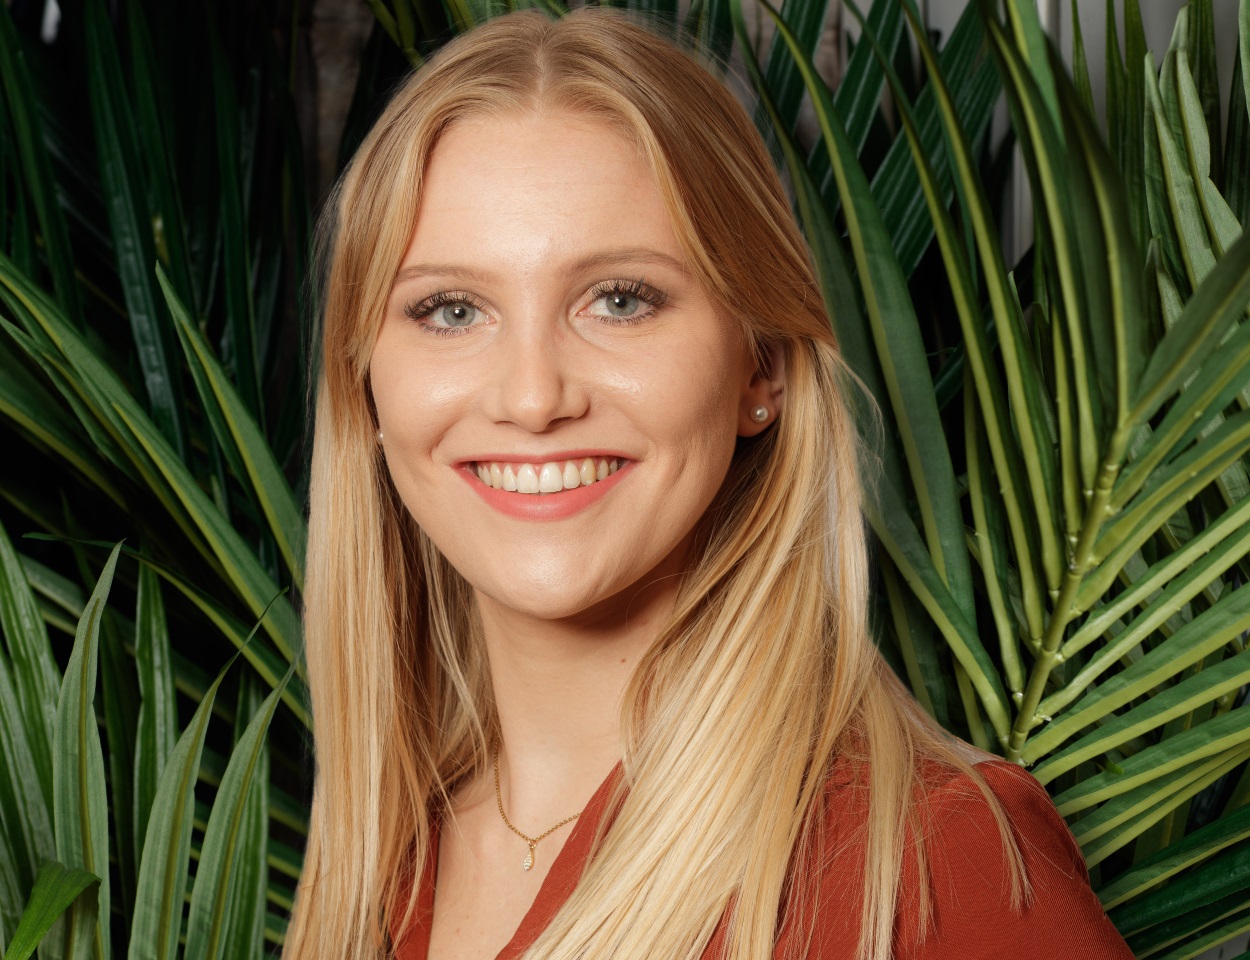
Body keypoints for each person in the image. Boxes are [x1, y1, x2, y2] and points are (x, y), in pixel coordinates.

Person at [283, 8, 1134, 959]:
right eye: (450, 310)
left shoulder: (937, 864)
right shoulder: (385, 856)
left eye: (620, 300)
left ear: (759, 368)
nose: (532, 397)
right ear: (366, 387)